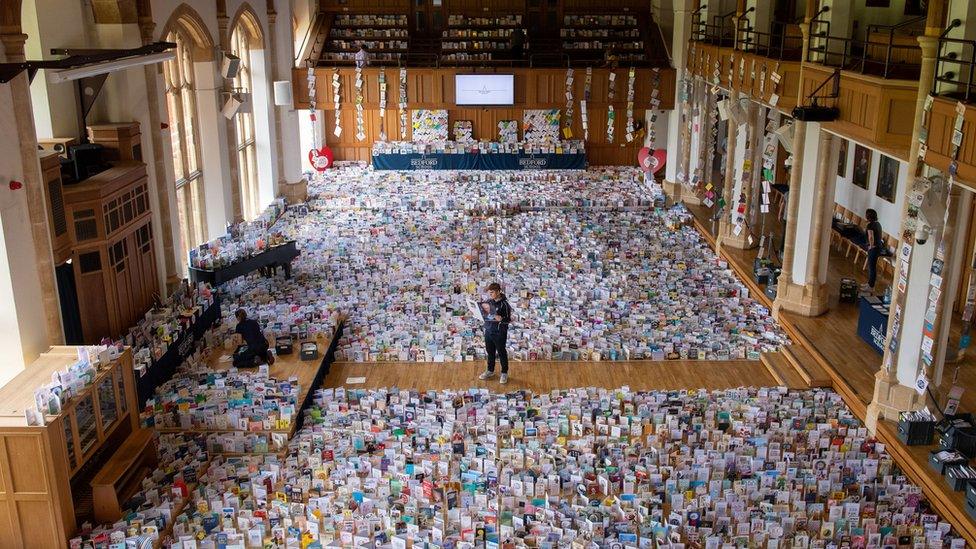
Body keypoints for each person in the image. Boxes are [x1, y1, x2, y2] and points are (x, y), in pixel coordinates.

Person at [478, 282, 512, 384]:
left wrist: (500, 318)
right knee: (490, 352)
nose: (490, 294)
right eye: (489, 292)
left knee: (501, 352)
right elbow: (485, 313)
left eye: (492, 292)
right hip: (488, 330)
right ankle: (490, 370)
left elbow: (508, 320)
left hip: (499, 332)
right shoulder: (489, 301)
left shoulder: (505, 305)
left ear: (498, 292)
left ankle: (504, 373)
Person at [865, 208, 884, 290]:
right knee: (872, 267)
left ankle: (871, 286)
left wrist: (871, 246)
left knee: (871, 267)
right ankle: (869, 284)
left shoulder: (870, 225)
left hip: (874, 248)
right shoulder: (878, 224)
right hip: (878, 247)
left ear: (868, 216)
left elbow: (871, 237)